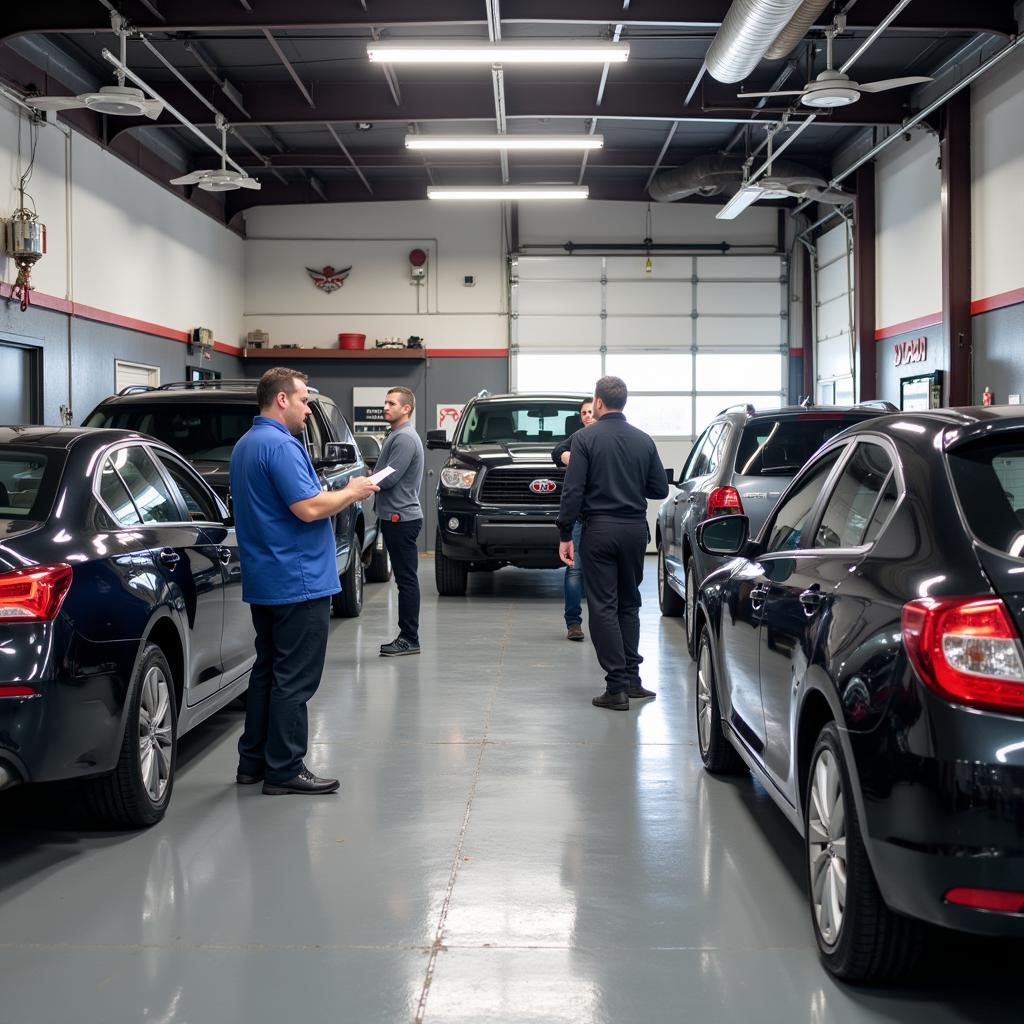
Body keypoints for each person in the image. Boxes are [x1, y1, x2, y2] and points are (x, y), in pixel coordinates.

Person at [230, 367, 379, 795]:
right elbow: (309, 508)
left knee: (268, 672)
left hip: (267, 578)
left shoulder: (245, 445)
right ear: (281, 400)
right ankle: (285, 768)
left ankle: (253, 762)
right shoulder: (281, 446)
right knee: (295, 678)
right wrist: (354, 490)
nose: (307, 407)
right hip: (297, 580)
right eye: (302, 399)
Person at [557, 376, 669, 710]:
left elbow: (573, 490)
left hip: (600, 531)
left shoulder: (585, 439)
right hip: (635, 531)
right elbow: (660, 489)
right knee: (629, 603)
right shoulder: (643, 440)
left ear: (599, 402)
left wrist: (565, 533)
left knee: (603, 605)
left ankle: (617, 687)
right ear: (624, 402)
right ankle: (633, 680)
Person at [376, 386, 425, 657]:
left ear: (406, 408)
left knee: (406, 581)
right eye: (385, 402)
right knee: (405, 580)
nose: (386, 407)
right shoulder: (397, 435)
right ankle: (408, 636)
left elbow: (390, 476)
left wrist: (362, 484)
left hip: (401, 518)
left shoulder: (404, 438)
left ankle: (409, 638)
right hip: (396, 516)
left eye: (391, 403)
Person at [551, 397, 595, 642]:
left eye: (591, 411)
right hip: (579, 516)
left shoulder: (607, 439)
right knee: (574, 569)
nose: (588, 416)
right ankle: (574, 623)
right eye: (584, 413)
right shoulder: (578, 439)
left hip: (602, 518)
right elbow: (556, 452)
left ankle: (605, 621)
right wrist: (571, 457)